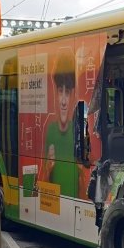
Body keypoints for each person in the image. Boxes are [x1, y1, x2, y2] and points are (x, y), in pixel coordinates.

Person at [43, 47, 80, 198]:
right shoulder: (49, 130)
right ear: (55, 92)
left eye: (68, 92)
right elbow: (42, 182)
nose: (63, 101)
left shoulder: (79, 132)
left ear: (73, 96)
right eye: (60, 91)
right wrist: (48, 168)